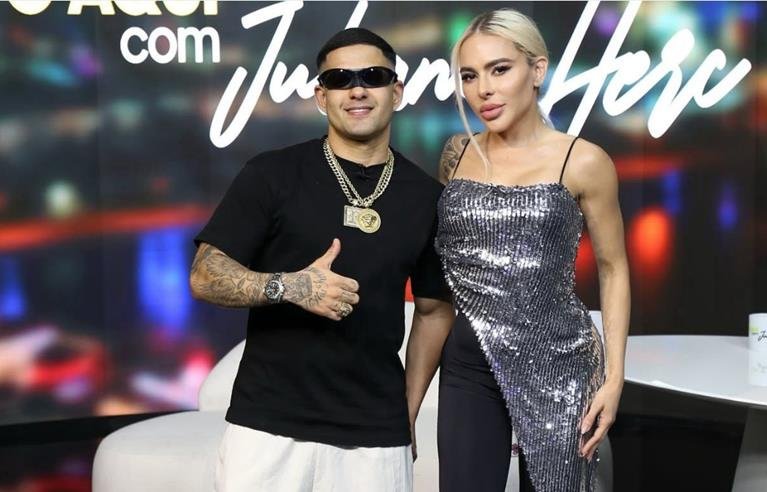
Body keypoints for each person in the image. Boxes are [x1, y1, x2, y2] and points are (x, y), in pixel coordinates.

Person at [189, 27, 453, 492]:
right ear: (320, 96)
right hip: (267, 427)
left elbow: (434, 310)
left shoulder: (427, 197)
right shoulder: (272, 173)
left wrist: (407, 411)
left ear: (396, 92)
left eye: (372, 76)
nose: (357, 89)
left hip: (375, 435)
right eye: (339, 79)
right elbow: (205, 275)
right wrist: (290, 286)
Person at [435, 9, 631, 492]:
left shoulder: (583, 160)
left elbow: (614, 269)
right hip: (469, 364)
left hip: (560, 363)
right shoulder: (457, 154)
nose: (484, 89)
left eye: (500, 69)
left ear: (537, 70)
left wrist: (614, 378)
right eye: (469, 76)